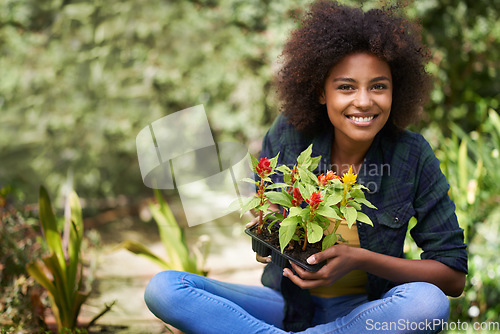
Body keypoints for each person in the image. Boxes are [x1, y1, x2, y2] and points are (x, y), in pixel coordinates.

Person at [144, 1, 468, 333]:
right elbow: (266, 212)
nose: (364, 101)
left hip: (369, 314)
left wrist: (360, 259)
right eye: (346, 86)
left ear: (395, 90)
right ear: (321, 92)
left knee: (429, 303)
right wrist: (266, 235)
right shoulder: (289, 136)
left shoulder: (411, 156)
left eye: (378, 86)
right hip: (287, 306)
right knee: (166, 289)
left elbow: (452, 276)